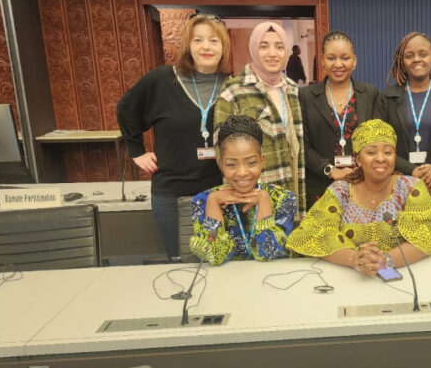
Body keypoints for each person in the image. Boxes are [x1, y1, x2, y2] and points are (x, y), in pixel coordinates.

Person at [117, 14, 231, 260]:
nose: (206, 47)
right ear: (188, 45)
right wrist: (136, 151)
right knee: (178, 261)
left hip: (217, 193)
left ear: (224, 46)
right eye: (198, 40)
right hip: (170, 193)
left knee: (215, 257)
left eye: (214, 41)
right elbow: (126, 108)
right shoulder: (162, 80)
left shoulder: (231, 86)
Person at [287, 119, 431, 276]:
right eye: (371, 152)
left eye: (388, 152)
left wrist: (385, 261)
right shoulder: (340, 191)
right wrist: (354, 259)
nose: (381, 158)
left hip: (405, 278)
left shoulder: (410, 187)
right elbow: (310, 235)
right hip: (346, 279)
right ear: (358, 160)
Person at [214, 21, 307, 216]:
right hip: (250, 198)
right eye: (264, 46)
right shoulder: (233, 91)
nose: (272, 53)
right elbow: (220, 149)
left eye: (279, 47)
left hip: (291, 192)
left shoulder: (293, 90)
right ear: (254, 49)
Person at [376, 32, 431, 223]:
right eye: (409, 55)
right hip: (397, 183)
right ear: (402, 61)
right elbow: (379, 146)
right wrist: (412, 170)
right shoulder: (387, 98)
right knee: (399, 236)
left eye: (423, 54)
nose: (416, 59)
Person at [190, 116, 297, 265]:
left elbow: (269, 254)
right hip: (225, 278)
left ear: (261, 161)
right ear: (221, 164)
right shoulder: (203, 200)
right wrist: (213, 202)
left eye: (251, 163)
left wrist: (264, 201)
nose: (242, 172)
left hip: (270, 277)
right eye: (231, 164)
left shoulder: (283, 199)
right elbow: (213, 256)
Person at [300, 31, 379, 208]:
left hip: (362, 184)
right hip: (321, 187)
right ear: (322, 60)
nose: (338, 64)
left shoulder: (370, 93)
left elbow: (376, 140)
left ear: (354, 61)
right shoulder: (306, 96)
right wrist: (330, 170)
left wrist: (363, 167)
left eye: (345, 58)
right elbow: (302, 146)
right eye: (331, 58)